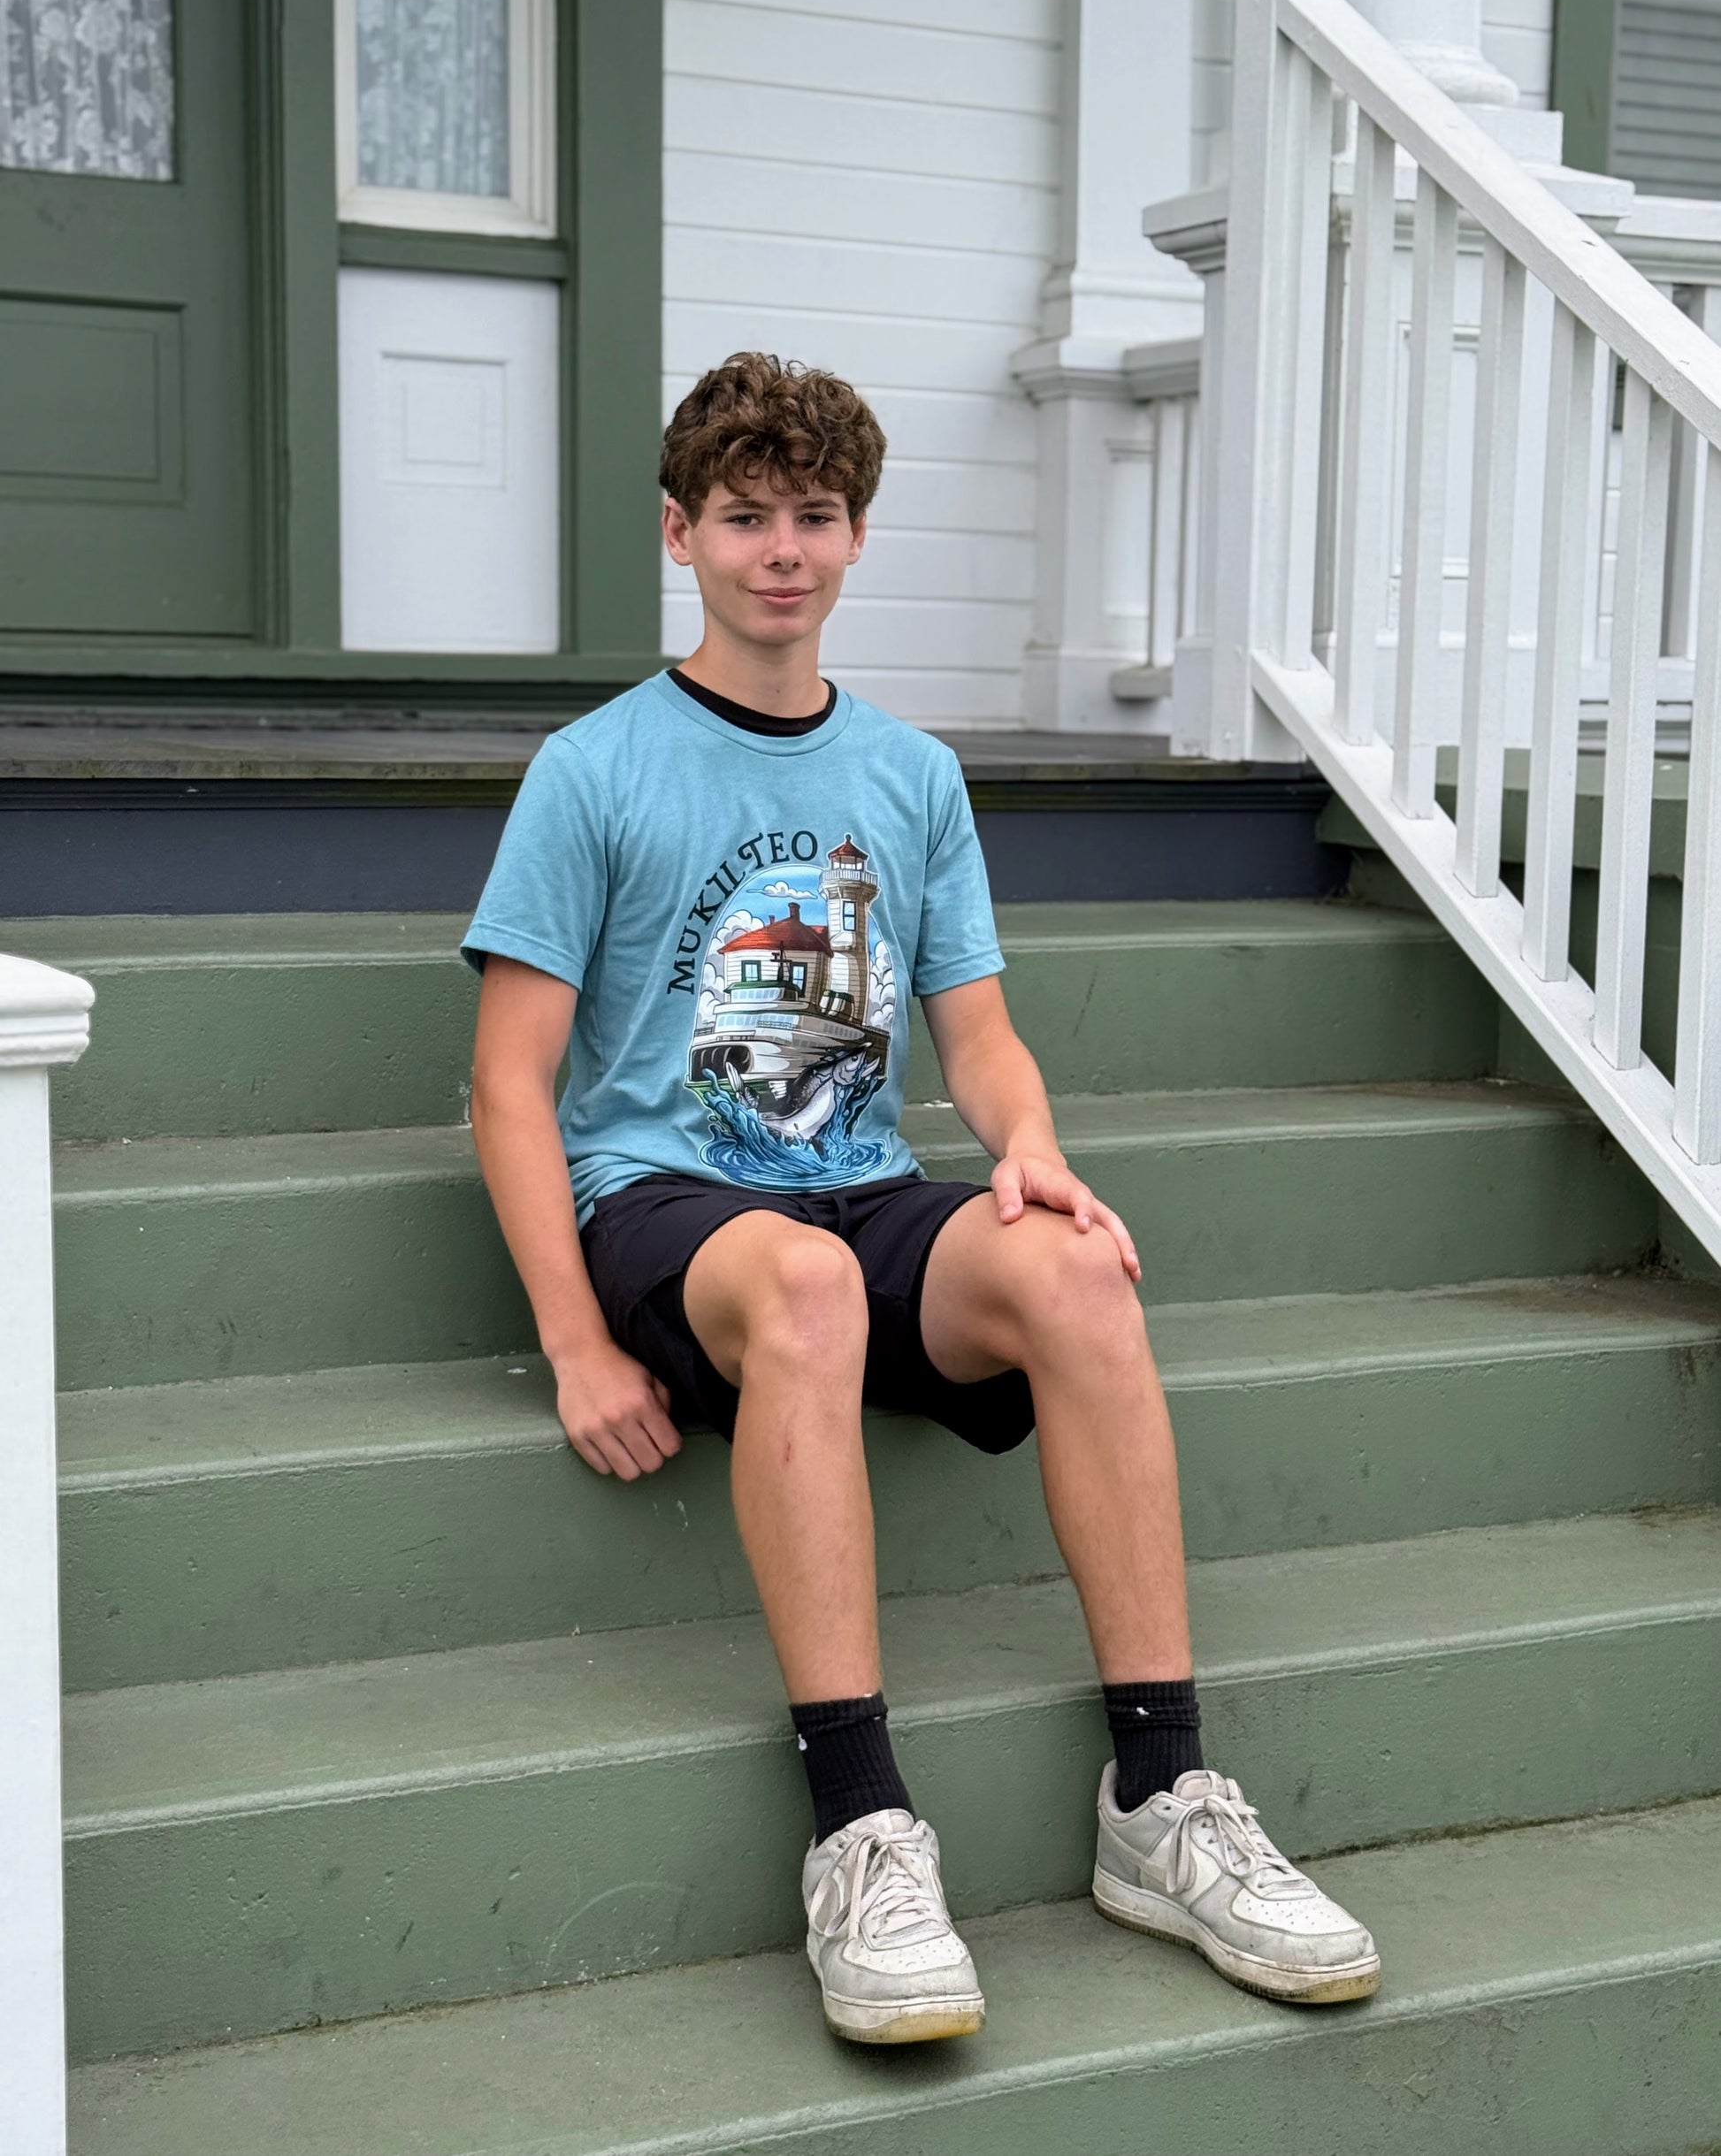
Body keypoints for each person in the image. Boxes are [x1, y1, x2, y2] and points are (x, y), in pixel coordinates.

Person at [463, 352, 1381, 2045]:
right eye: (744, 516)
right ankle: (861, 1826)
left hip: (861, 1186)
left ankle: (1160, 1799)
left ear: (857, 535)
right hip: (665, 1202)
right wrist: (578, 1343)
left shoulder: (911, 773)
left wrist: (1028, 1147)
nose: (781, 551)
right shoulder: (593, 769)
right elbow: (509, 1083)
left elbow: (980, 1034)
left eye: (814, 515)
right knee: (805, 1290)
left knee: (1077, 1270)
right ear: (679, 532)